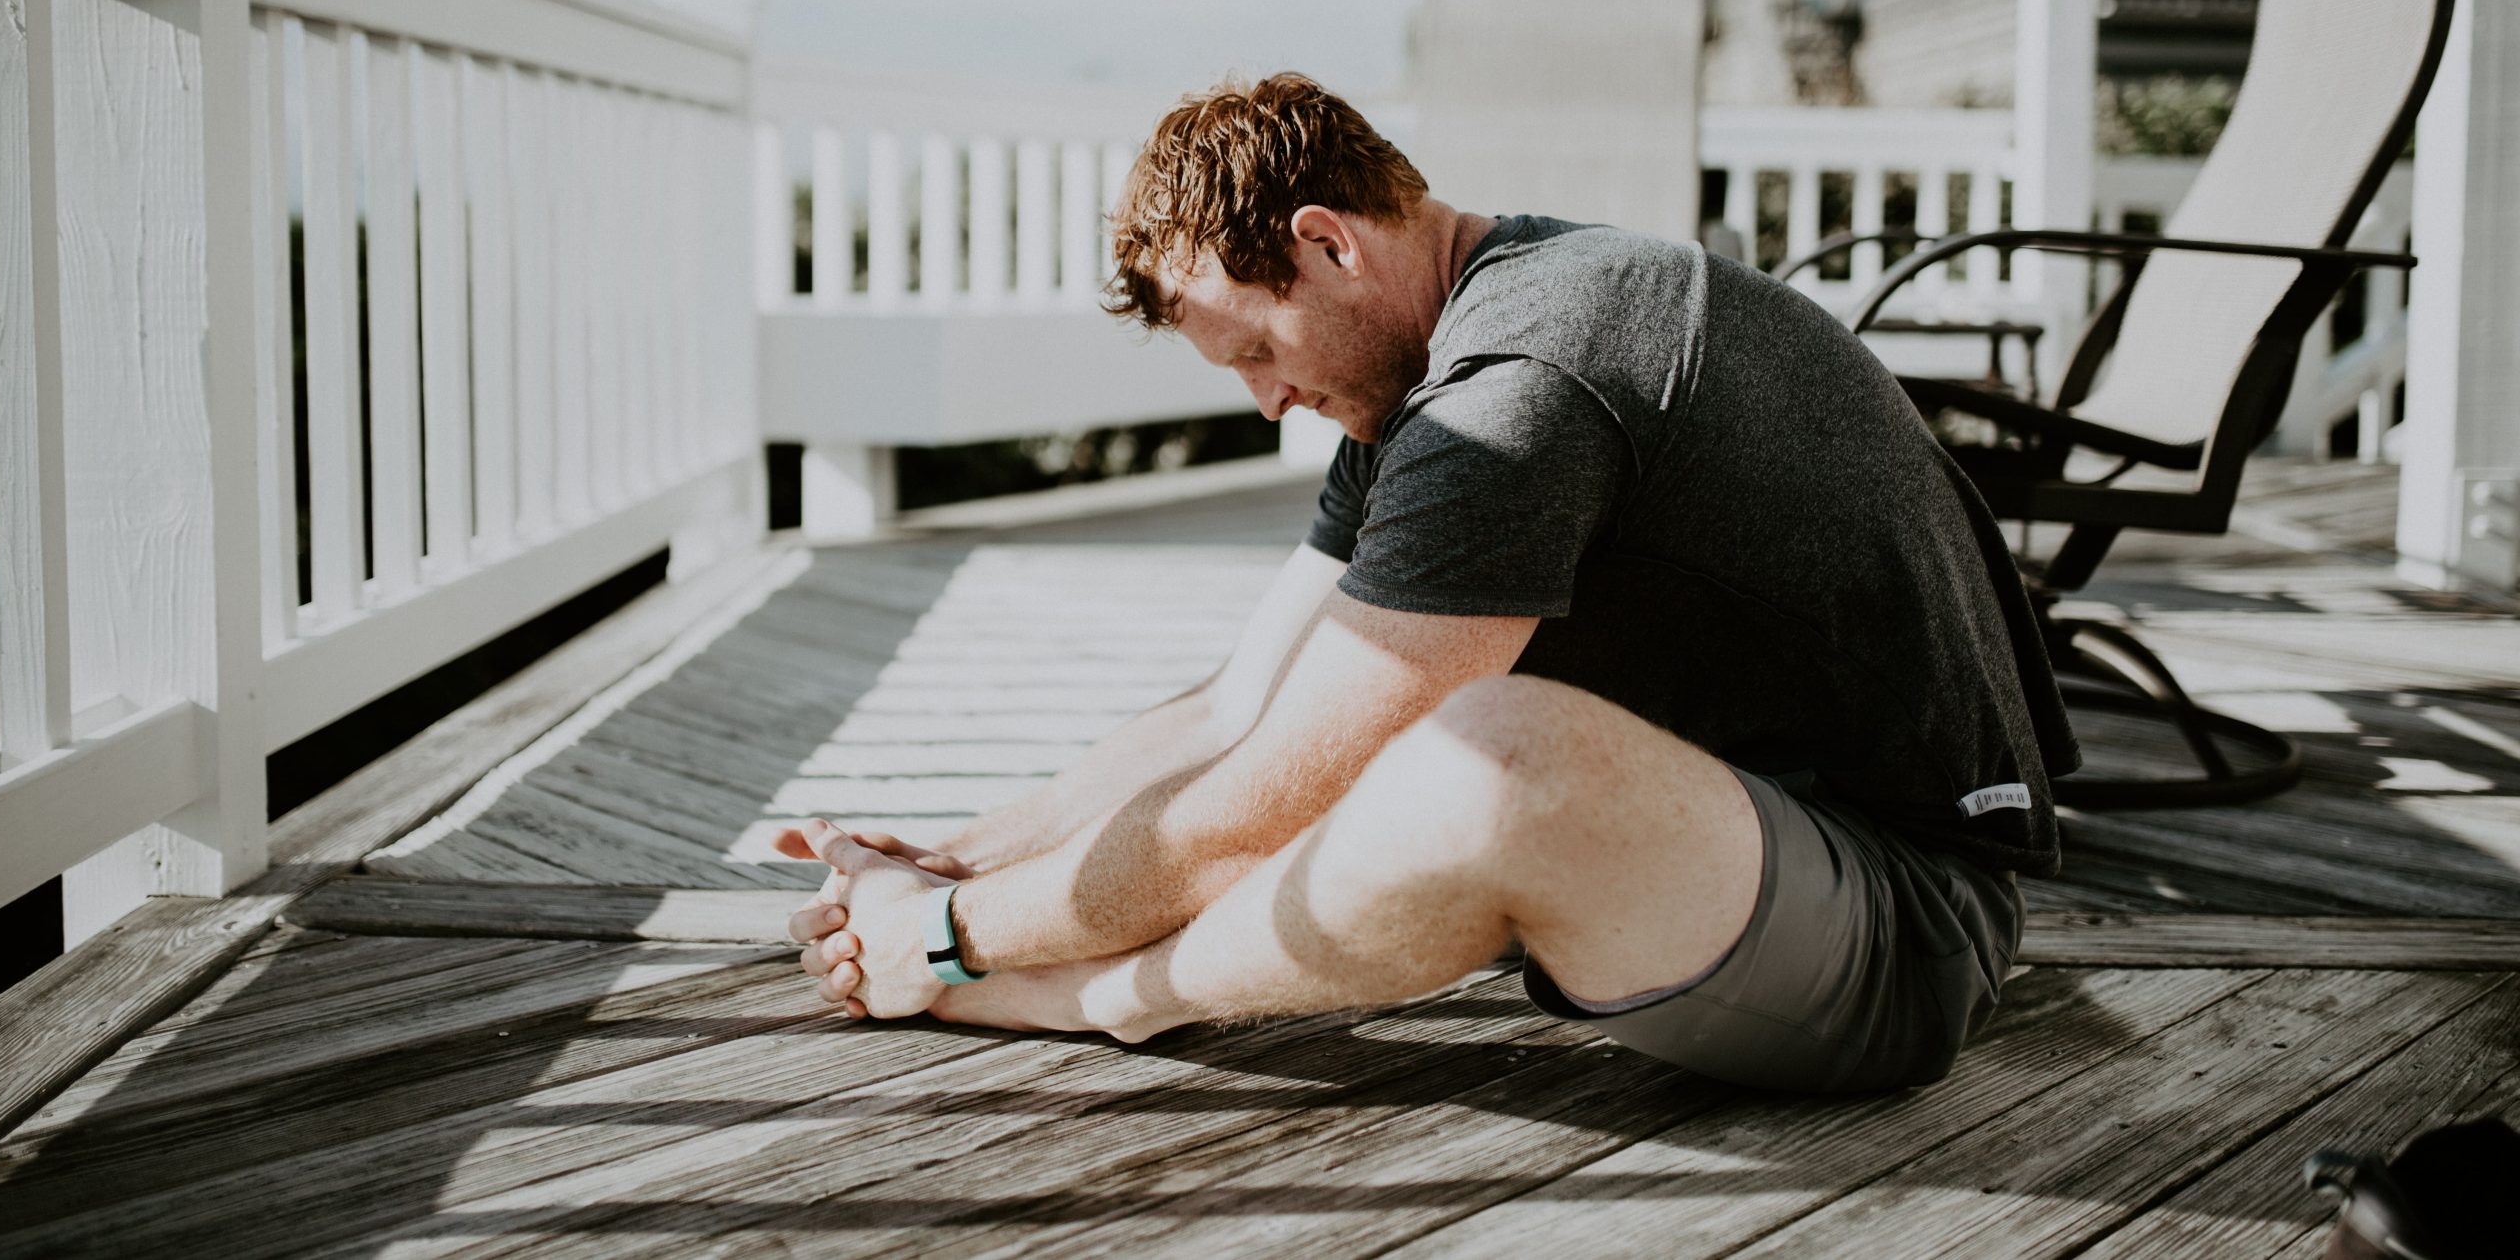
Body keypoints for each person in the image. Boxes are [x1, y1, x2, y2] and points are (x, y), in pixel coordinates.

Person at [780, 72, 2076, 1094]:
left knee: (1479, 762)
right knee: (1370, 732)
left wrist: (958, 940)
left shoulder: (1519, 388)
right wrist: (956, 856)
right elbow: (1238, 709)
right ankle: (1039, 961)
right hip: (1727, 842)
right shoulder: (1427, 375)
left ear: (1327, 243)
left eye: (1255, 349)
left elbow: (1254, 807)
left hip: (1906, 917)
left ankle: (1103, 999)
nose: (1267, 397)